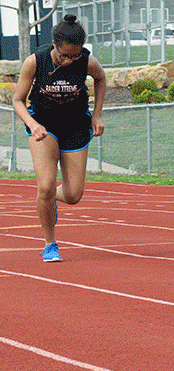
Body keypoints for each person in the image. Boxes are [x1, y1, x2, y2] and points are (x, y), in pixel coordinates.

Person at [12, 14, 106, 262]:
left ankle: (49, 202)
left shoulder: (86, 61)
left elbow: (101, 78)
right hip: (44, 125)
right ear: (54, 45)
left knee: (74, 195)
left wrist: (96, 115)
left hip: (75, 125)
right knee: (45, 186)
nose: (68, 60)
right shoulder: (35, 61)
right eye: (64, 55)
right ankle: (50, 243)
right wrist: (31, 124)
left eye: (73, 56)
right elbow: (17, 100)